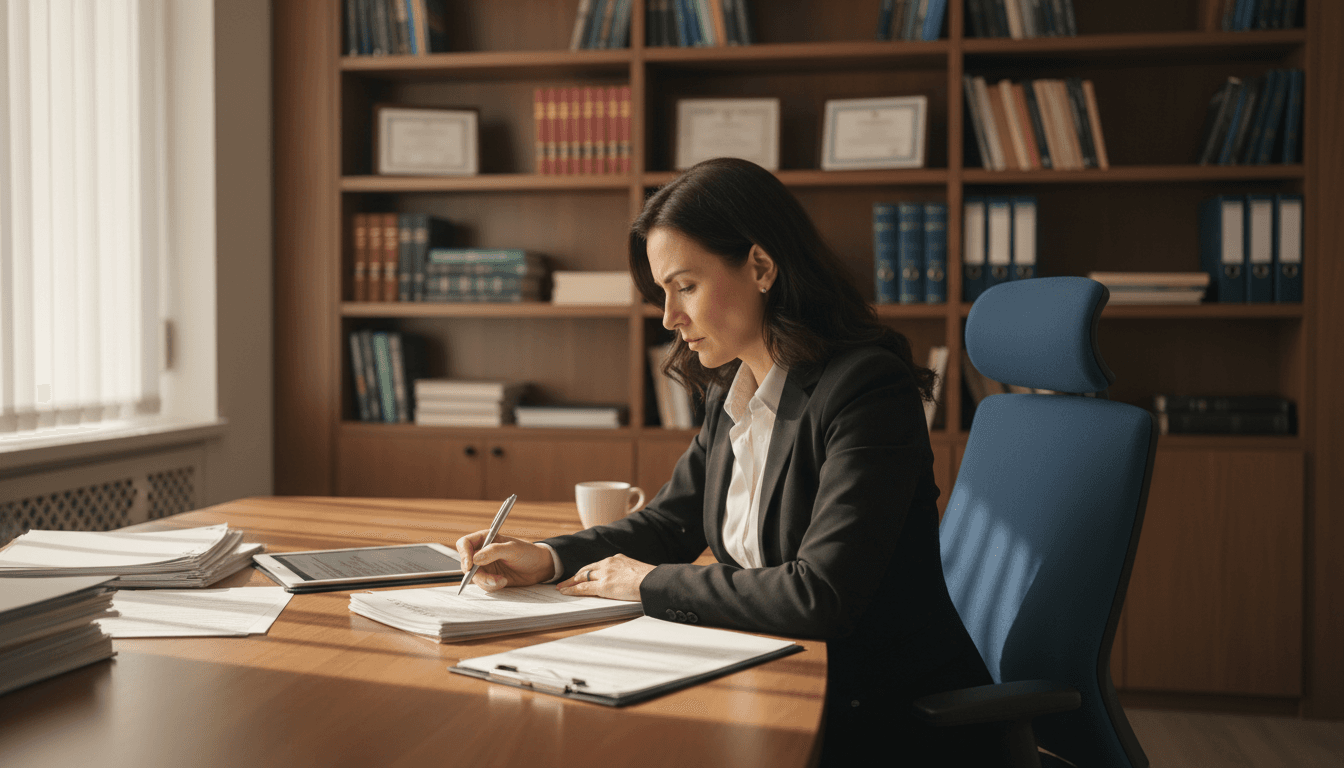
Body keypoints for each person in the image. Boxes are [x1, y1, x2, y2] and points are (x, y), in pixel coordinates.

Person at [456, 157, 1001, 764]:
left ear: (761, 267)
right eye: (663, 293)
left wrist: (645, 582)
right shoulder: (732, 390)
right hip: (766, 669)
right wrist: (549, 556)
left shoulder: (867, 390)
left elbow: (819, 594)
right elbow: (670, 523)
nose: (669, 317)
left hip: (876, 715)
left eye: (685, 287)